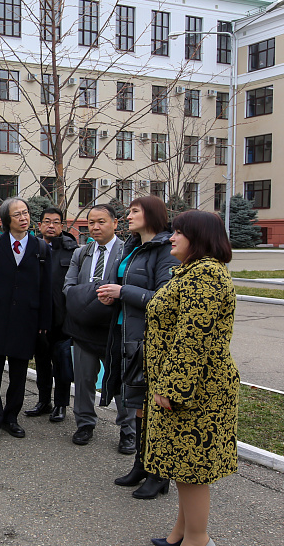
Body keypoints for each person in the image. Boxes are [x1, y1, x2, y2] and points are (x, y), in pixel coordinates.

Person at [143, 210, 237, 546]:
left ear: (197, 238)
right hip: (192, 386)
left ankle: (197, 540)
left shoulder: (206, 276)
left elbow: (192, 337)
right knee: (185, 466)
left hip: (197, 390)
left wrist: (172, 387)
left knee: (192, 467)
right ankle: (180, 534)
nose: (171, 237)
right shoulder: (192, 272)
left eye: (179, 232)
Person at [94, 197, 180, 499]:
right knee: (139, 404)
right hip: (127, 334)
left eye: (134, 212)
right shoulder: (132, 247)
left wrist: (123, 291)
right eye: (128, 211)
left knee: (154, 407)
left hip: (152, 340)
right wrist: (114, 296)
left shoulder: (166, 250)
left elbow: (165, 299)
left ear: (152, 215)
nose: (127, 216)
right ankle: (141, 465)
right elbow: (127, 288)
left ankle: (160, 473)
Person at [0, 197, 53, 445]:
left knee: (18, 373)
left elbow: (46, 288)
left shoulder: (41, 248)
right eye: (17, 214)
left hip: (26, 319)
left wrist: (44, 321)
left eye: (26, 213)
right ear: (7, 220)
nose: (23, 217)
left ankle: (11, 418)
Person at [63, 204, 134, 451]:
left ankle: (128, 430)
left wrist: (114, 295)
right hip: (84, 328)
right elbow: (68, 288)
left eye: (101, 221)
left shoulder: (129, 252)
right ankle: (84, 424)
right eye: (91, 222)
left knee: (120, 380)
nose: (95, 227)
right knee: (83, 380)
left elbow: (130, 287)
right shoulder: (81, 253)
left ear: (115, 223)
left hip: (115, 329)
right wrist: (95, 294)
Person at [24, 207, 78, 423]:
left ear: (62, 226)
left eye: (56, 222)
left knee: (61, 363)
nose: (51, 226)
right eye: (47, 222)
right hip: (37, 318)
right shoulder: (31, 248)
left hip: (61, 318)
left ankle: (61, 405)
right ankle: (44, 401)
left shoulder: (72, 251)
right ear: (39, 226)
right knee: (42, 361)